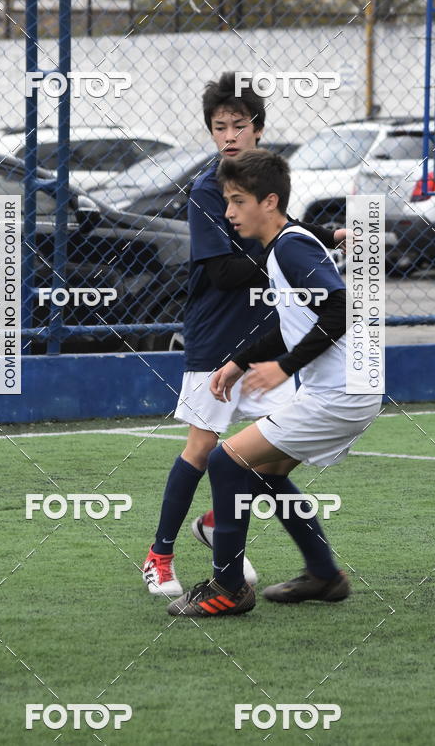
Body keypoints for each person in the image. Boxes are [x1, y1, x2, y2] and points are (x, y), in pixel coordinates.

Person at [142, 73, 348, 597]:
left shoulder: (265, 186)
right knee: (200, 448)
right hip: (219, 338)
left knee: (271, 463)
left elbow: (285, 226)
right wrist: (290, 250)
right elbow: (226, 274)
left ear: (258, 128)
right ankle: (159, 556)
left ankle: (317, 570)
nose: (230, 135)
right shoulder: (209, 190)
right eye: (219, 126)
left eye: (240, 124)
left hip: (270, 343)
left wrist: (327, 237)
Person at [167, 149, 382, 617]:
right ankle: (324, 575)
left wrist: (284, 368)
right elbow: (294, 322)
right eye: (226, 201)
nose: (227, 212)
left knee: (225, 462)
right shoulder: (285, 244)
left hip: (340, 395)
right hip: (347, 392)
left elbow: (340, 307)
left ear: (268, 202)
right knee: (266, 473)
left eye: (237, 201)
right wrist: (239, 363)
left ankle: (227, 588)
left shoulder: (290, 246)